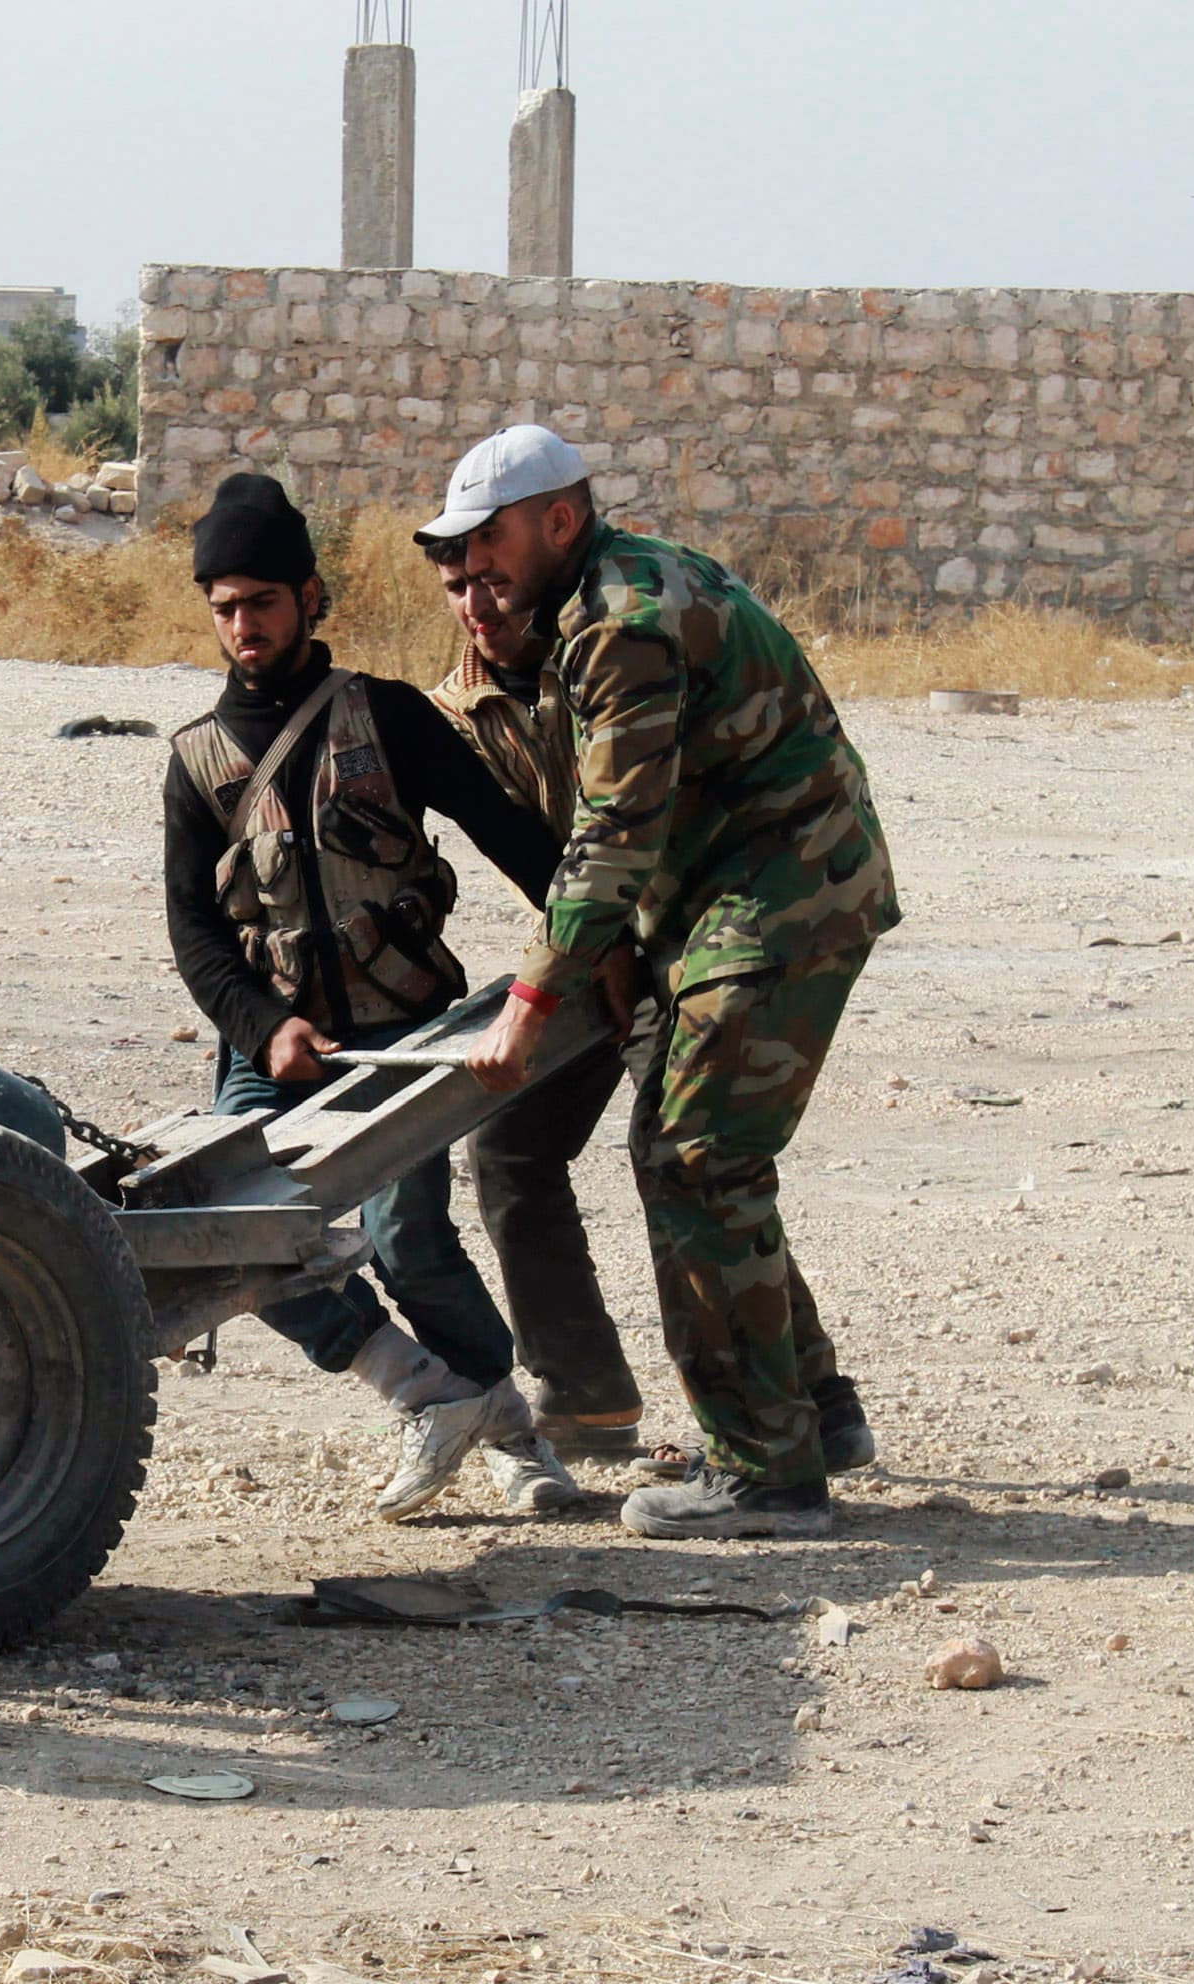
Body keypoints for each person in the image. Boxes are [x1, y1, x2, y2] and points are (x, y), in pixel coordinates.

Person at [426, 424, 897, 1541]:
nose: (473, 574)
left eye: (491, 541)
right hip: (728, 904)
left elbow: (616, 827)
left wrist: (538, 997)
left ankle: (763, 1471)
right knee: (714, 1158)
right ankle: (812, 1413)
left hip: (780, 897)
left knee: (692, 1157)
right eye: (455, 558)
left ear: (559, 518)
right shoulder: (583, 607)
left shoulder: (621, 620)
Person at [162, 471, 577, 1519]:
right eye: (225, 608)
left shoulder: (387, 716)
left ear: (312, 599)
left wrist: (589, 947)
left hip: (406, 1037)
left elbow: (518, 839)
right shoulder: (196, 765)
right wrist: (267, 1028)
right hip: (276, 1050)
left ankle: (512, 1437)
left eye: (263, 602)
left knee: (410, 1239)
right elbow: (195, 934)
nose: (244, 625)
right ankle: (431, 1391)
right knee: (232, 1239)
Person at [422, 560, 649, 1469]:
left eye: (494, 581)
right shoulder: (454, 713)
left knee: (697, 1163)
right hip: (584, 949)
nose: (478, 606)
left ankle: (805, 1405)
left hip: (684, 933)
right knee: (511, 1144)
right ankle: (585, 1391)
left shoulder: (605, 664)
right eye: (456, 587)